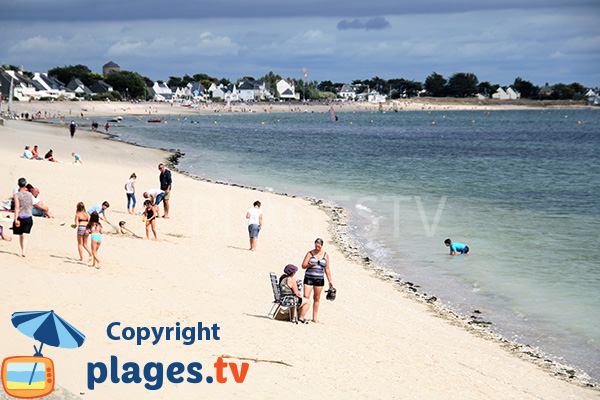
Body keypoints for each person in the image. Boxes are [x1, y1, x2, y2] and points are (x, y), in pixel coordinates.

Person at [301, 238, 333, 323]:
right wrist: (309, 265)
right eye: (316, 246)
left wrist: (330, 281)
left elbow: (327, 268)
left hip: (319, 279)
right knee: (306, 297)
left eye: (319, 246)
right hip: (309, 277)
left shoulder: (325, 255)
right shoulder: (310, 253)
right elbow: (303, 265)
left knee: (317, 298)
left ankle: (314, 318)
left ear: (322, 246)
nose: (317, 248)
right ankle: (301, 315)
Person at [12, 178, 34, 257]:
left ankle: (22, 250)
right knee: (26, 235)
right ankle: (24, 251)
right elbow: (31, 205)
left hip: (21, 216)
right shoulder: (29, 194)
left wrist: (15, 218)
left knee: (21, 235)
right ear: (25, 185)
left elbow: (17, 207)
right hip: (28, 216)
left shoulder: (17, 195)